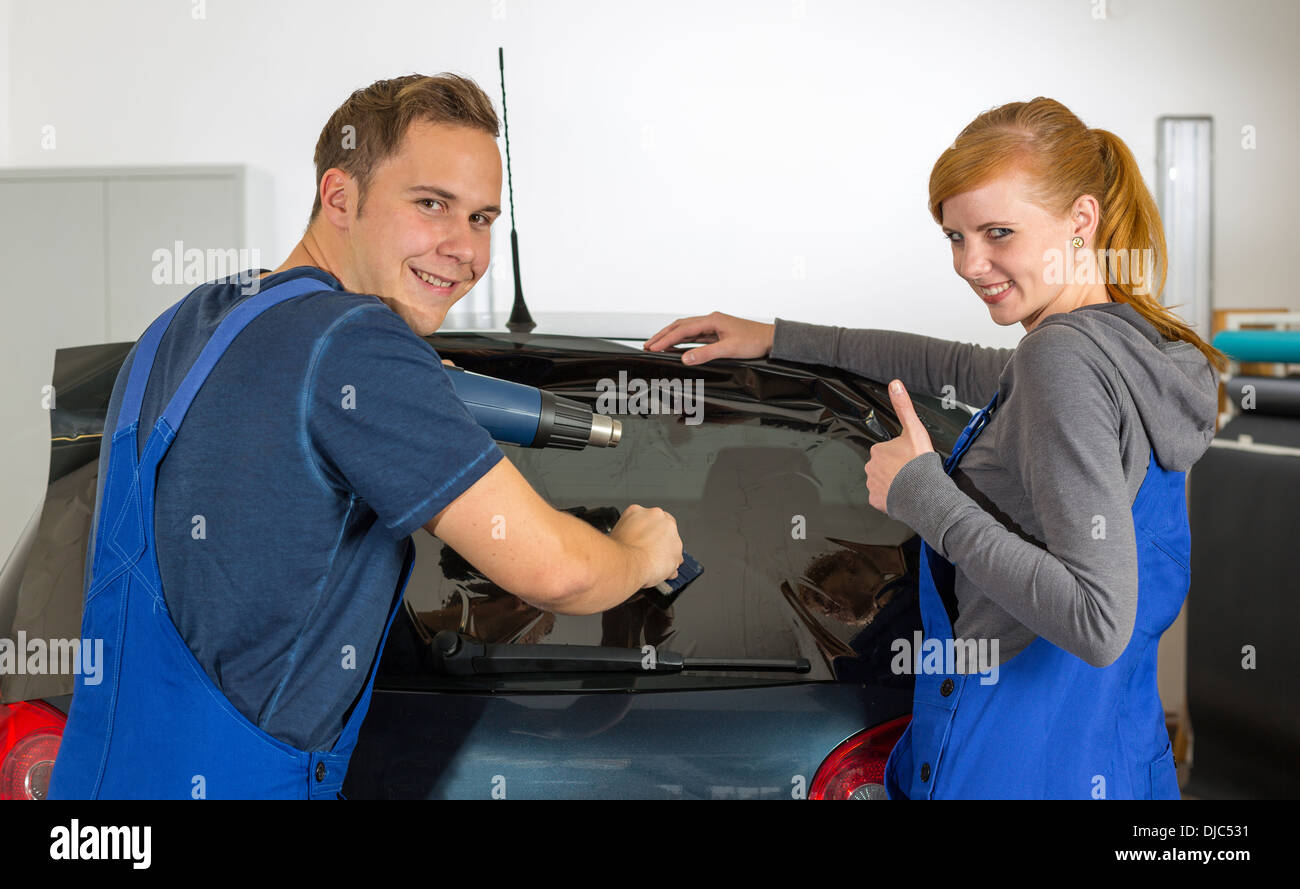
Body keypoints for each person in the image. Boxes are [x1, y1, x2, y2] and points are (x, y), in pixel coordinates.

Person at [50, 74, 682, 800]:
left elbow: (247, 558)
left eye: (481, 218)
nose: (464, 250)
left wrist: (402, 393)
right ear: (340, 196)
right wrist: (639, 553)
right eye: (431, 204)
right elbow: (559, 572)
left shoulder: (186, 322)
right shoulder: (356, 343)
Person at [644, 96, 1227, 799]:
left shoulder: (1060, 362)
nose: (970, 263)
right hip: (1113, 754)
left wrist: (924, 495)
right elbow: (952, 366)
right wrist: (779, 337)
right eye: (955, 236)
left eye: (998, 232)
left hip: (1013, 760)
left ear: (1081, 219)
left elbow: (1098, 619)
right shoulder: (1127, 347)